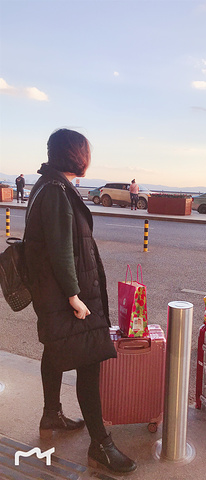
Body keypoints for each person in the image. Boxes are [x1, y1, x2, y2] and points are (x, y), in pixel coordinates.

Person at [24, 128, 137, 475]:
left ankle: (51, 412)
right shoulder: (58, 190)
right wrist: (74, 297)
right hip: (69, 295)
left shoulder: (47, 184)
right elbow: (61, 248)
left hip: (53, 293)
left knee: (54, 347)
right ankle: (100, 445)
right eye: (86, 151)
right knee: (90, 361)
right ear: (77, 155)